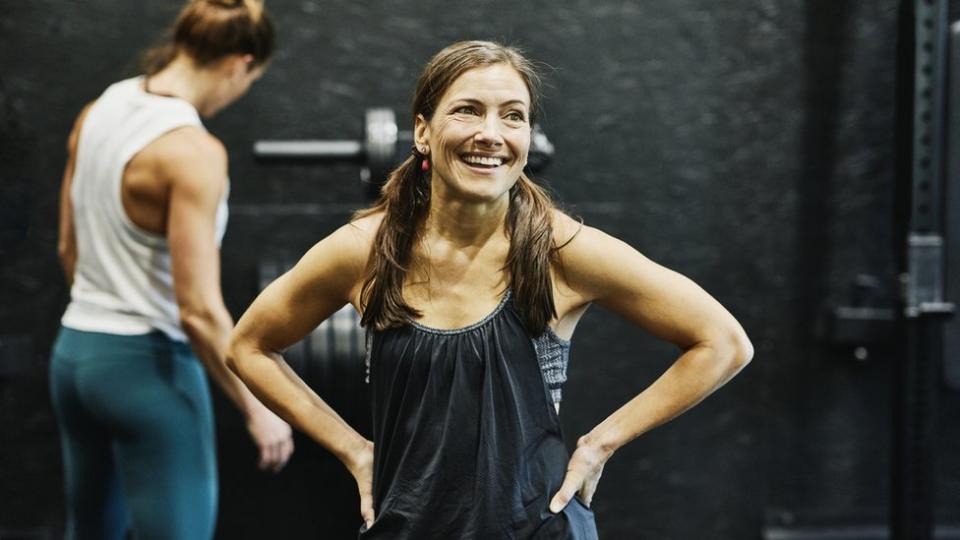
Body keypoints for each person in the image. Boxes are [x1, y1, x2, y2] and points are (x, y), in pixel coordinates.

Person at [227, 40, 754, 539]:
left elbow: (724, 342)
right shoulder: (364, 250)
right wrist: (355, 451)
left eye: (513, 115)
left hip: (538, 527)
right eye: (467, 110)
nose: (491, 133)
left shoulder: (560, 250)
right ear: (422, 132)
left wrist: (600, 444)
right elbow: (248, 345)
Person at [52, 1, 292, 538]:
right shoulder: (192, 152)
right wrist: (258, 407)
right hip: (149, 371)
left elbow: (68, 246)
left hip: (73, 357)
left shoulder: (100, 108)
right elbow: (199, 311)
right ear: (240, 64)